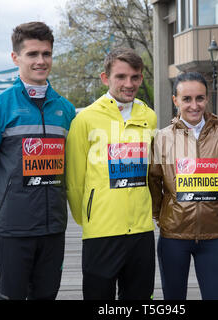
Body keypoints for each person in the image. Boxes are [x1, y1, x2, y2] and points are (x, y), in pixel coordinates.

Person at [0, 22, 76, 300]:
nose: (41, 61)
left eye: (46, 54)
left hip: (53, 230)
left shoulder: (66, 109)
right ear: (15, 58)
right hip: (11, 232)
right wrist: (0, 214)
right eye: (32, 54)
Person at [66, 47, 157, 300]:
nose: (129, 84)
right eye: (121, 77)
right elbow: (74, 181)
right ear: (105, 78)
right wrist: (89, 217)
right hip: (101, 231)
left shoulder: (149, 116)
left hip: (141, 230)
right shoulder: (85, 119)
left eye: (135, 77)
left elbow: (152, 172)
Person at [148, 72, 218, 300]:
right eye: (187, 99)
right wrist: (161, 216)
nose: (194, 105)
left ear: (207, 99)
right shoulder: (162, 138)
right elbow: (154, 181)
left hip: (212, 236)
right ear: (175, 100)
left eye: (200, 98)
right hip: (173, 235)